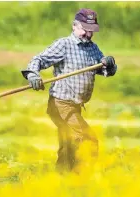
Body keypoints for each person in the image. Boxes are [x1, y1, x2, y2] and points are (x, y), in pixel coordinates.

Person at [21, 8, 117, 173]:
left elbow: (105, 70)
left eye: (91, 30)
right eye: (85, 29)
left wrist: (110, 64)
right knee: (88, 140)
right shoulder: (64, 45)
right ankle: (81, 177)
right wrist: (32, 75)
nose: (88, 34)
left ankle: (64, 184)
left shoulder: (93, 49)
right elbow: (39, 59)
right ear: (74, 26)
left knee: (68, 147)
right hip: (60, 104)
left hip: (75, 107)